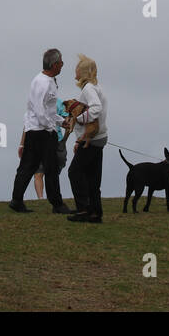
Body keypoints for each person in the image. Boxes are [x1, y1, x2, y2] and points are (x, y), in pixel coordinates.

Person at [9, 49, 74, 214]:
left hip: (40, 130)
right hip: (40, 132)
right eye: (61, 62)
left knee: (30, 166)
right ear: (54, 65)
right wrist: (51, 127)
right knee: (46, 168)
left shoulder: (49, 81)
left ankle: (17, 200)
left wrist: (61, 121)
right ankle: (57, 204)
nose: (63, 65)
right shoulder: (42, 82)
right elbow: (39, 110)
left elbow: (49, 110)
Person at [66, 53, 108, 223]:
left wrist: (79, 119)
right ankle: (95, 213)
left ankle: (84, 209)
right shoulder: (97, 87)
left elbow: (96, 108)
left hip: (92, 138)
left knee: (74, 172)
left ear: (82, 71)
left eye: (77, 68)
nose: (75, 70)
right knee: (93, 177)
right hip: (99, 137)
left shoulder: (88, 89)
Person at [33, 100, 71, 200]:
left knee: (54, 171)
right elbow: (27, 125)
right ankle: (41, 198)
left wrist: (65, 139)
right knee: (39, 171)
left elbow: (67, 119)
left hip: (57, 141)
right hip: (39, 141)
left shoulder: (58, 103)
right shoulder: (35, 103)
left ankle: (53, 196)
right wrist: (22, 144)